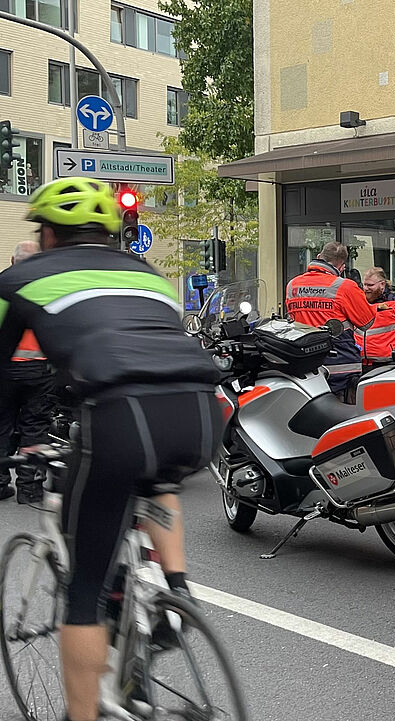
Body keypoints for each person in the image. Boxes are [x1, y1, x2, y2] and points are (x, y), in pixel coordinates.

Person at [0, 177, 221, 721]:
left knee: (85, 591)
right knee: (157, 479)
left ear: (48, 234)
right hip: (201, 414)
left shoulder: (20, 279)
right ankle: (176, 593)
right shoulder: (149, 276)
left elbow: (3, 376)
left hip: (122, 420)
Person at [0, 240, 56, 503]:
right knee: (35, 427)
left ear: (13, 262)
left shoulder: (2, 286)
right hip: (39, 370)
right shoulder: (48, 289)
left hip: (5, 369)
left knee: (1, 426)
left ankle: (0, 484)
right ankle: (29, 487)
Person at [285, 242, 375, 402]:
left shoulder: (293, 285)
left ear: (319, 257)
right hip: (339, 366)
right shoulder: (345, 286)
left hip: (304, 367)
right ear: (342, 266)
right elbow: (367, 322)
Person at [360, 267, 395, 367]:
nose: (366, 288)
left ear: (382, 284)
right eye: (364, 284)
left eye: (370, 285)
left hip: (389, 364)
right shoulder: (359, 304)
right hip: (361, 364)